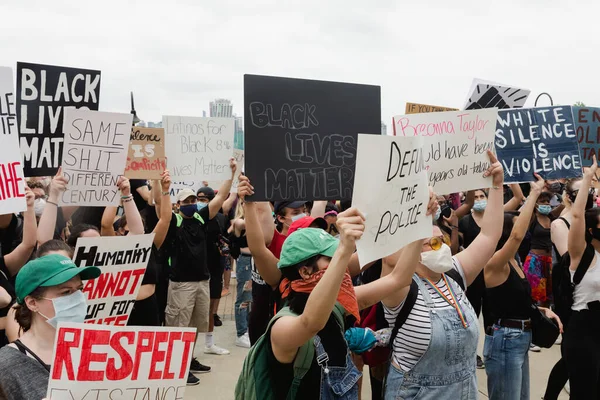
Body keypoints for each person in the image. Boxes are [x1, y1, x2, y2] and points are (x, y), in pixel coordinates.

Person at [382, 150, 503, 399]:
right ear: (412, 249)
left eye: (443, 240)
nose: (443, 247)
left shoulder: (455, 273)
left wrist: (497, 186)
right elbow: (387, 254)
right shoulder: (399, 286)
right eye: (432, 243)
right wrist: (417, 210)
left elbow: (490, 236)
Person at [483, 174, 562, 399]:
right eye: (517, 220)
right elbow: (517, 236)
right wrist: (534, 193)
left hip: (520, 338)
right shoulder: (495, 263)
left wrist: (543, 310)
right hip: (506, 340)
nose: (522, 222)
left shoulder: (515, 260)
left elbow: (516, 299)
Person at [164, 158, 236, 385]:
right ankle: (177, 367)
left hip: (202, 282)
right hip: (181, 284)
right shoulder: (173, 220)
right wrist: (163, 186)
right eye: (186, 200)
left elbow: (220, 198)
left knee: (195, 326)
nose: (192, 203)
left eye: (193, 199)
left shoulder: (200, 217)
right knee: (178, 327)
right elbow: (161, 206)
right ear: (177, 204)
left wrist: (231, 174)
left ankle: (189, 359)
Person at [0, 254, 101, 399]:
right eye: (66, 292)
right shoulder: (7, 364)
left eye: (79, 289)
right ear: (32, 303)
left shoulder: (99, 350)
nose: (78, 298)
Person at [100, 171, 173, 327]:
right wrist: (116, 192)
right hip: (120, 309)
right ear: (120, 231)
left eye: (139, 225)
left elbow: (165, 219)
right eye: (130, 226)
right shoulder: (113, 249)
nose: (136, 229)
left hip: (149, 308)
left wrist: (165, 189)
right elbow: (106, 225)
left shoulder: (150, 245)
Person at [563, 156, 600, 399]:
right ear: (591, 229)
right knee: (584, 391)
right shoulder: (581, 254)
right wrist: (587, 178)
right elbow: (576, 217)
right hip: (582, 330)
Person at [197, 185, 234, 354]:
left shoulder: (220, 218)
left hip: (215, 266)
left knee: (212, 308)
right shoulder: (195, 218)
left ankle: (209, 343)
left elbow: (226, 238)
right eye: (198, 199)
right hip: (196, 269)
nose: (199, 203)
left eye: (203, 199)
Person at [523, 191, 554, 311]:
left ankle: (547, 323)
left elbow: (565, 206)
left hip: (550, 261)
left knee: (548, 296)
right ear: (535, 204)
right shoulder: (532, 217)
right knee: (536, 296)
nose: (546, 204)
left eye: (547, 202)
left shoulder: (552, 217)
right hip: (535, 262)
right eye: (542, 202)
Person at [230, 201, 253, 348]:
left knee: (253, 298)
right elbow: (241, 224)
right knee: (244, 297)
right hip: (246, 262)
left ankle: (247, 329)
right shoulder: (239, 222)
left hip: (255, 261)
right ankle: (241, 333)